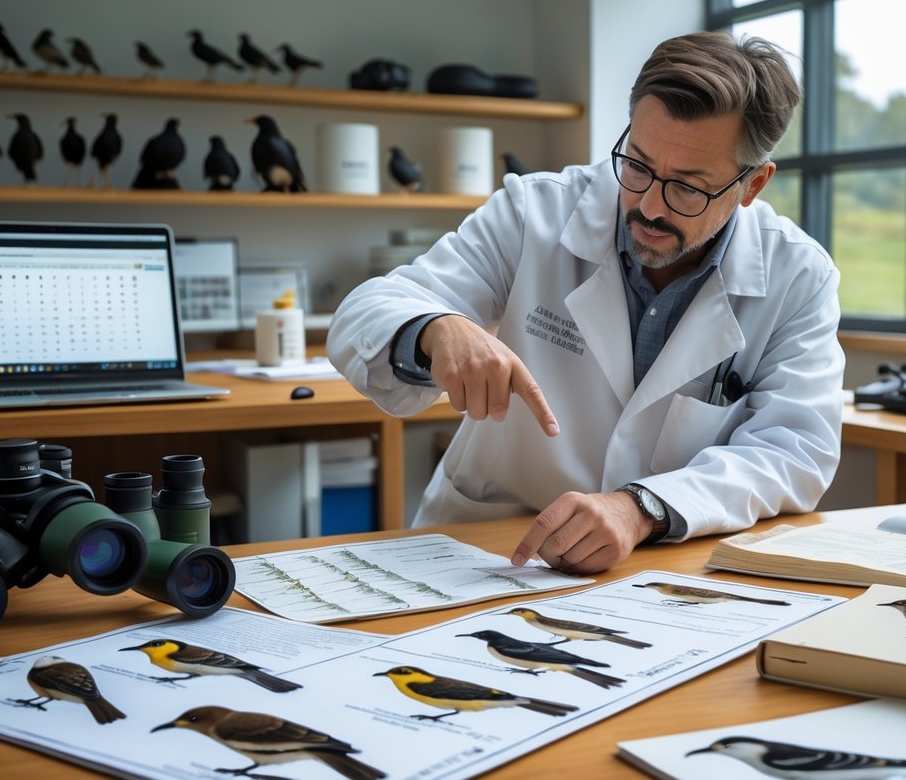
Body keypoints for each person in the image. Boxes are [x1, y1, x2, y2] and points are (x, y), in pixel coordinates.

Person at [328, 31, 844, 574]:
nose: (647, 205)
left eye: (688, 187)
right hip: (488, 550)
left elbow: (793, 451)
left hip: (664, 563)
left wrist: (641, 507)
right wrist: (434, 326)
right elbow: (371, 306)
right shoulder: (536, 212)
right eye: (638, 164)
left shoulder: (798, 276)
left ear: (753, 184)